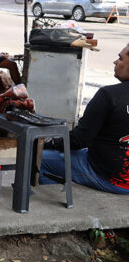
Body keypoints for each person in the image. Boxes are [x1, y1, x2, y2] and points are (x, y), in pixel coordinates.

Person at [40, 44, 129, 194]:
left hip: (109, 178)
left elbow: (79, 140)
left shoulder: (108, 95)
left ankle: (53, 201)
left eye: (120, 58)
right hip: (115, 169)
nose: (115, 62)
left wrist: (51, 142)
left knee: (38, 158)